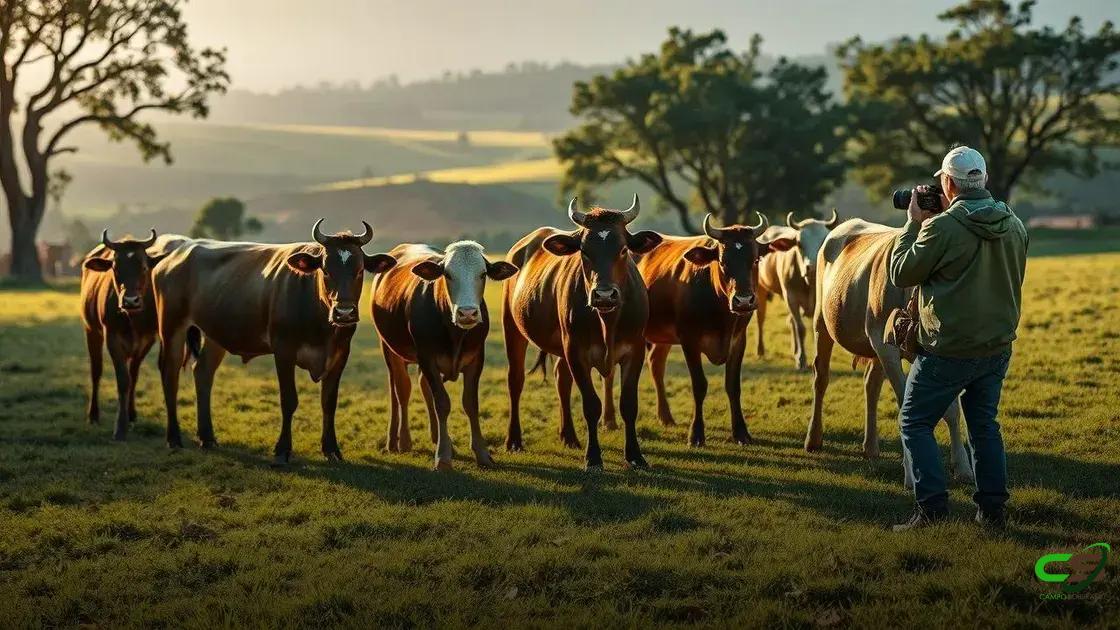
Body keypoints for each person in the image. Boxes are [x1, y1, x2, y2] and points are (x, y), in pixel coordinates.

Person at [887, 146, 1028, 531]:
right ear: (982, 180)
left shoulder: (940, 227)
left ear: (948, 183)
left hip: (947, 350)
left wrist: (913, 223)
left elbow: (900, 272)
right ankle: (992, 511)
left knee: (914, 422)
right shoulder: (1015, 224)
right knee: (984, 425)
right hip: (997, 347)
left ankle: (931, 510)